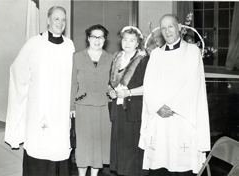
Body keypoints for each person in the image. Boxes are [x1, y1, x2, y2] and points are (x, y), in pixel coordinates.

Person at [5, 6, 75, 176]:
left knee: (58, 147)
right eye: (56, 19)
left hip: (61, 107)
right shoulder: (34, 43)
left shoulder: (69, 45)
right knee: (39, 147)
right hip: (39, 107)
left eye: (63, 19)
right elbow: (17, 70)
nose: (60, 22)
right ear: (48, 20)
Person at [139, 14, 211, 176]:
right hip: (160, 118)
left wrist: (172, 107)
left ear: (179, 27)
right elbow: (149, 85)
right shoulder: (156, 54)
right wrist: (157, 107)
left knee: (182, 165)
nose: (167, 31)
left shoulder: (192, 52)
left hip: (182, 117)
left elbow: (193, 85)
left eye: (170, 26)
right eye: (163, 28)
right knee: (160, 164)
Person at [70, 24, 113, 176]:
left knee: (99, 143)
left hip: (103, 106)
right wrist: (71, 107)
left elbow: (112, 82)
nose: (97, 40)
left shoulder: (111, 58)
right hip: (83, 105)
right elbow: (73, 83)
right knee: (83, 144)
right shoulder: (77, 57)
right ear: (88, 38)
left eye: (100, 37)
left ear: (104, 40)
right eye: (94, 36)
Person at [108, 26, 149, 176]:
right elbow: (110, 82)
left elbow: (149, 87)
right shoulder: (117, 57)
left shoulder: (143, 59)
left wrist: (128, 92)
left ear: (138, 43)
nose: (127, 43)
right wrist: (111, 91)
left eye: (132, 40)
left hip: (133, 110)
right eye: (125, 39)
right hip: (118, 110)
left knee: (132, 153)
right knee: (120, 153)